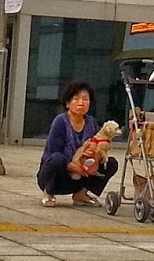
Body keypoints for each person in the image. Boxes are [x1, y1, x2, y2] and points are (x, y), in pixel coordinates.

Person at [37, 80, 117, 208]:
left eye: (85, 99)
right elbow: (51, 154)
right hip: (58, 176)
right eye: (76, 99)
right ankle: (49, 193)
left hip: (82, 175)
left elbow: (99, 145)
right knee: (57, 158)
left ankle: (81, 194)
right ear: (68, 103)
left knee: (111, 163)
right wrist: (76, 168)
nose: (81, 103)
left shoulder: (91, 122)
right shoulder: (60, 121)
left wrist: (96, 159)